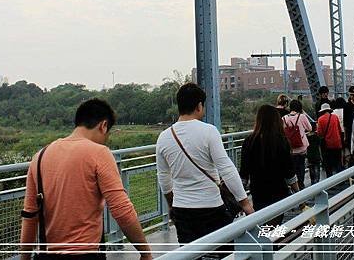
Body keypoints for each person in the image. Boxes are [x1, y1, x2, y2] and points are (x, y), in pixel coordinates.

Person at [20, 98, 152, 259]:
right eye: (107, 134)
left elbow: (29, 217)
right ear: (103, 126)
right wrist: (145, 252)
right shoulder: (98, 153)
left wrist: (24, 258)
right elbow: (122, 211)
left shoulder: (39, 157)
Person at [156, 83, 253, 246]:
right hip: (211, 207)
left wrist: (171, 204)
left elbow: (164, 178)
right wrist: (244, 203)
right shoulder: (209, 131)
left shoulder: (164, 137)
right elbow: (226, 169)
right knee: (221, 252)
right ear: (199, 106)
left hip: (182, 209)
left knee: (189, 255)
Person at [240, 105, 299, 224]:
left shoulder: (249, 141)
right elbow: (289, 172)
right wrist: (299, 194)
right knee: (274, 225)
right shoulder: (281, 141)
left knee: (262, 223)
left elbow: (244, 173)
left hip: (258, 192)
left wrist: (241, 199)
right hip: (278, 192)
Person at [282, 99, 312, 189]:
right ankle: (301, 183)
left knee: (293, 167)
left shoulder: (284, 118)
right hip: (302, 147)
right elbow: (310, 128)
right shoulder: (302, 116)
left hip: (291, 148)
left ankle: (294, 186)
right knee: (301, 166)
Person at [316, 103, 343, 177]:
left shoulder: (320, 119)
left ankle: (330, 181)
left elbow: (319, 134)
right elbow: (339, 129)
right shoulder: (335, 117)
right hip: (337, 143)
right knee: (338, 162)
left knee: (328, 164)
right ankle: (341, 179)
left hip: (328, 145)